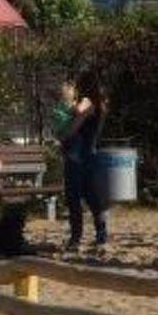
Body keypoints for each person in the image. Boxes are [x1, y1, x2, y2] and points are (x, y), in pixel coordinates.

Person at [62, 72, 110, 253]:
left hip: (77, 156)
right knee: (93, 197)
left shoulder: (87, 103)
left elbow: (74, 124)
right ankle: (101, 234)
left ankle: (76, 238)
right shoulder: (102, 105)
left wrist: (63, 136)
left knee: (74, 198)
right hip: (91, 153)